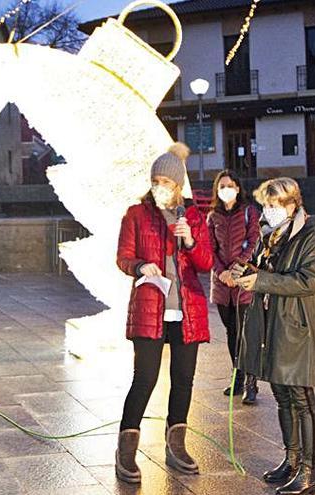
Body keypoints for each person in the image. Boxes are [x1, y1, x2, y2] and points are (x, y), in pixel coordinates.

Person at [114, 143, 213, 484]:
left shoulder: (194, 218)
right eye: (156, 181)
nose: (160, 187)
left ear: (178, 185)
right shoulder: (136, 215)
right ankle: (126, 451)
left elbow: (207, 263)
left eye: (166, 183)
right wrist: (142, 265)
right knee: (145, 379)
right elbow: (124, 257)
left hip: (187, 311)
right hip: (150, 308)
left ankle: (177, 445)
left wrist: (191, 243)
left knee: (183, 380)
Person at [233, 178, 315, 495]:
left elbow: (306, 281)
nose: (267, 211)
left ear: (291, 205)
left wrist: (260, 281)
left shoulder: (310, 238)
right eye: (265, 205)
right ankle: (292, 459)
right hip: (272, 326)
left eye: (273, 205)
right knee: (281, 395)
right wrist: (243, 272)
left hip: (295, 328)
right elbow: (261, 268)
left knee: (301, 398)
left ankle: (310, 473)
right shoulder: (271, 235)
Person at [207, 170, 261, 404]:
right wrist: (222, 273)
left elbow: (254, 242)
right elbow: (210, 250)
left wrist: (236, 269)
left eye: (230, 185)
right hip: (222, 286)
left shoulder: (249, 212)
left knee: (245, 333)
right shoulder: (213, 217)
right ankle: (237, 377)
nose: (226, 189)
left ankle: (251, 382)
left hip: (243, 281)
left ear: (238, 188)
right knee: (231, 332)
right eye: (222, 186)